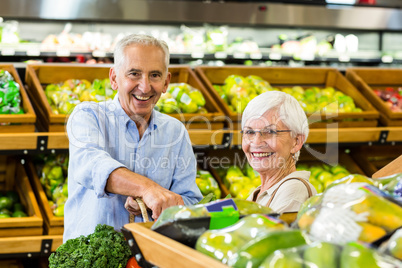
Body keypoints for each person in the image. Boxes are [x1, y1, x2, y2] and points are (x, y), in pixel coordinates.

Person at [64, 34, 203, 242]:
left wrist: (157, 204)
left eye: (155, 75)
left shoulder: (176, 132)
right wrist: (147, 189)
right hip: (89, 260)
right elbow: (93, 166)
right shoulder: (88, 116)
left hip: (148, 258)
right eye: (134, 74)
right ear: (114, 78)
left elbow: (190, 202)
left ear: (166, 82)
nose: (145, 87)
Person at [242, 90, 317, 213]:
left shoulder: (293, 192)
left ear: (296, 142)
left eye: (270, 132)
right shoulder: (262, 192)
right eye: (249, 132)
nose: (256, 142)